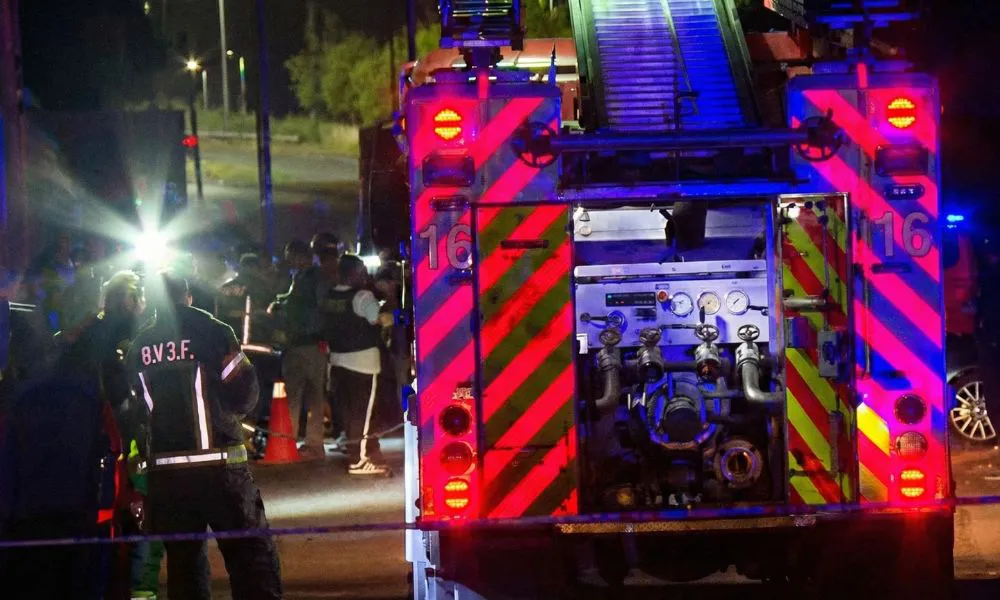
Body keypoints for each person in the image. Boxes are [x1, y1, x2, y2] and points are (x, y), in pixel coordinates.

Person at [127, 272, 282, 599]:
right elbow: (246, 394)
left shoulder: (138, 347)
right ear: (188, 296)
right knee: (251, 560)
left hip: (167, 477)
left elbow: (137, 409)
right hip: (221, 469)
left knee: (184, 567)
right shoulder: (214, 332)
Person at [0, 271, 146, 600]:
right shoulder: (91, 392)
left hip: (27, 518)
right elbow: (111, 446)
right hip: (80, 511)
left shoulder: (21, 397)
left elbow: (9, 460)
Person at [322, 254, 392, 475]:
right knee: (363, 413)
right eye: (362, 272)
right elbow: (379, 319)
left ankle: (357, 450)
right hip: (363, 363)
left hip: (338, 362)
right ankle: (359, 460)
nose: (365, 276)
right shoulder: (362, 296)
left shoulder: (330, 296)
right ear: (352, 274)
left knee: (349, 412)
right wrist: (390, 302)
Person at [268, 242, 337, 461]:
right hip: (302, 344)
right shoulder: (303, 277)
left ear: (300, 256)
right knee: (304, 395)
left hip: (308, 343)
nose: (289, 261)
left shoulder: (314, 278)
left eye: (291, 256)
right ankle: (301, 443)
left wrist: (284, 311)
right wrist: (280, 304)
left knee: (310, 395)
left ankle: (310, 444)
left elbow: (316, 308)